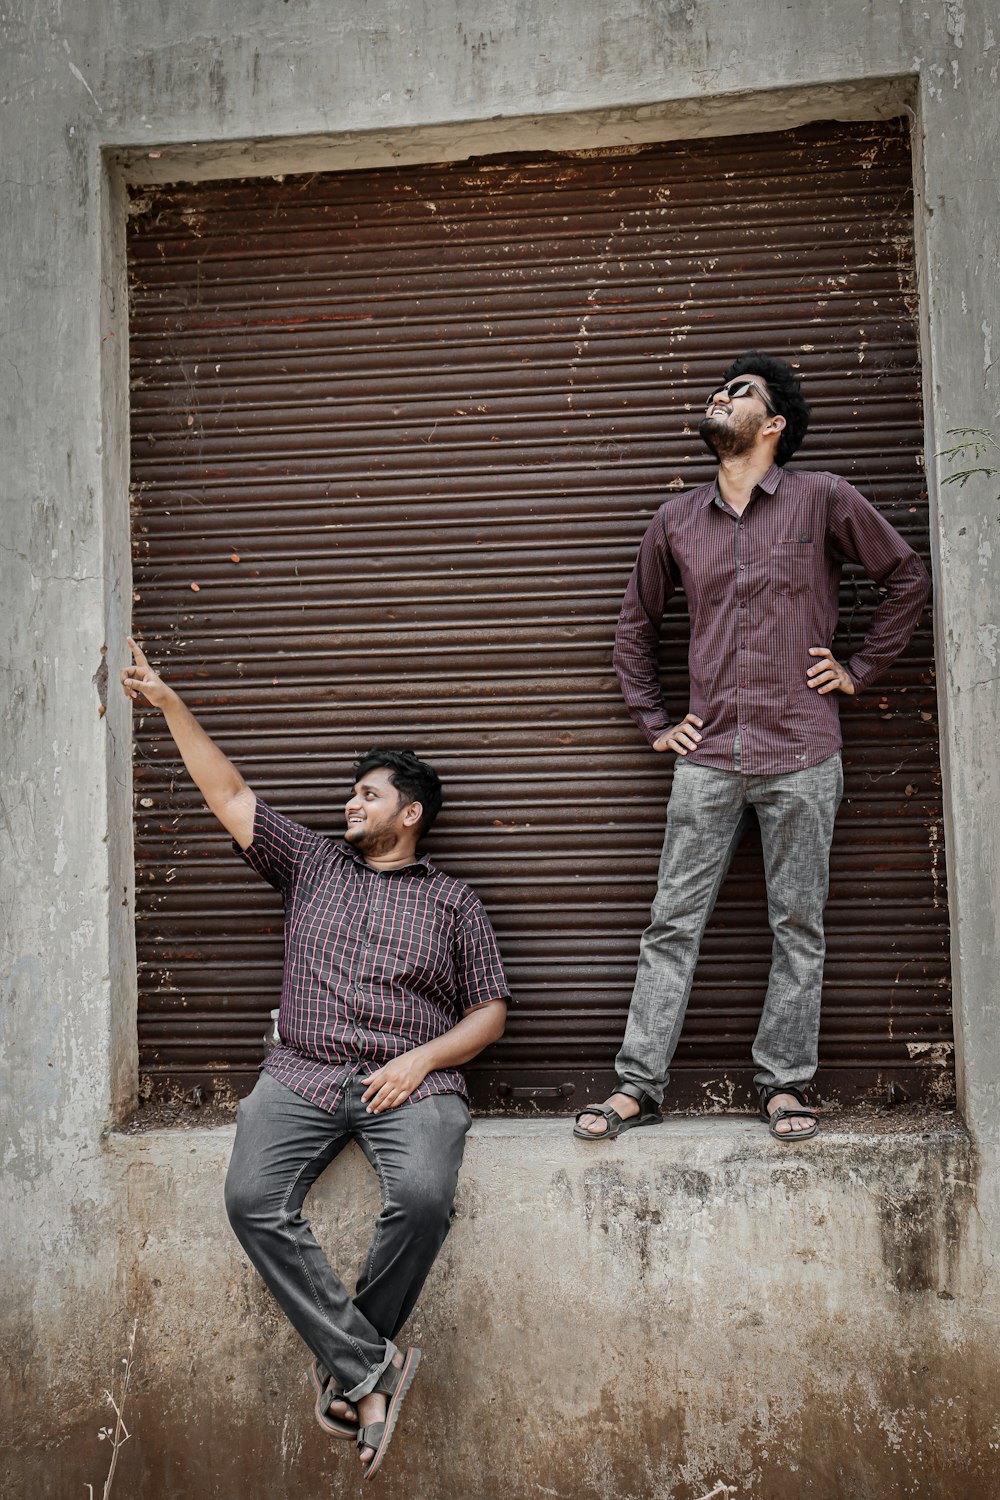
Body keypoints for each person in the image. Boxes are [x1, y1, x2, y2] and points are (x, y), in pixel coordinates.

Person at [121, 639, 509, 1477]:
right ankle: (373, 1367)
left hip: (412, 1080)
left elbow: (490, 1014)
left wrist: (420, 1062)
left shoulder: (453, 901)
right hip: (299, 1072)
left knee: (423, 1196)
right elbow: (228, 793)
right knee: (253, 1198)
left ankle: (350, 1367)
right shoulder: (312, 863)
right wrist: (169, 704)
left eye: (368, 795)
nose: (351, 804)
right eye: (351, 792)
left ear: (410, 814)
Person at [573, 352, 930, 1145]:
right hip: (706, 758)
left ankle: (783, 1085)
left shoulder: (823, 498)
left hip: (803, 750)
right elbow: (635, 631)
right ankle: (638, 1086)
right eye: (719, 389)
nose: (720, 396)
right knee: (671, 924)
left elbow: (906, 577)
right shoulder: (675, 522)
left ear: (772, 425)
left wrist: (860, 667)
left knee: (797, 924)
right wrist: (654, 719)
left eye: (738, 392)